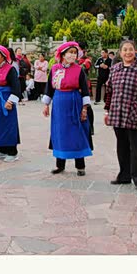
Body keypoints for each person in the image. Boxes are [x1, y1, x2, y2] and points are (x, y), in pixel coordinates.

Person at [104, 40, 137, 191]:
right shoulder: (115, 69)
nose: (128, 52)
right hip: (117, 114)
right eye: (125, 50)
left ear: (135, 52)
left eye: (131, 49)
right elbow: (109, 91)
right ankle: (124, 175)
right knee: (122, 146)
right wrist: (107, 110)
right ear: (120, 53)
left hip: (135, 115)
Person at [42, 41, 93, 176]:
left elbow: (85, 90)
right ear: (63, 54)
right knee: (59, 133)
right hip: (59, 105)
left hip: (74, 103)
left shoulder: (79, 70)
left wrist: (84, 108)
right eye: (70, 52)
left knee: (76, 133)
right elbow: (49, 88)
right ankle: (60, 164)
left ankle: (80, 166)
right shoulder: (54, 69)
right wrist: (46, 104)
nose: (73, 55)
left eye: (75, 53)